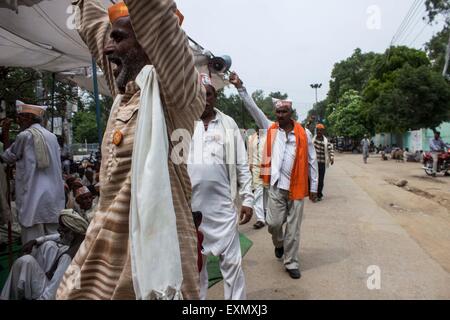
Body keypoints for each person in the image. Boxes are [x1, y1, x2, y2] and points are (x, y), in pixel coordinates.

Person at [57, 0, 205, 300]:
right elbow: (92, 25)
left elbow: (154, 12)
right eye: (111, 38)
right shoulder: (127, 90)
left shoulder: (175, 95)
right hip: (104, 247)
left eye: (119, 38)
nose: (108, 48)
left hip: (152, 253)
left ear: (152, 42)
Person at [229, 72, 318, 280]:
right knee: (274, 223)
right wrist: (240, 87)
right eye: (277, 111)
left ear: (291, 112)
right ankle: (279, 244)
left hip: (296, 189)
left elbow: (312, 161)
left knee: (294, 229)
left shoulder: (304, 134)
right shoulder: (271, 128)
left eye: (284, 111)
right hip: (276, 187)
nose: (280, 115)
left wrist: (313, 187)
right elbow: (253, 109)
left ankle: (291, 261)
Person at [188, 74, 253, 300]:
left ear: (215, 97)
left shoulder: (228, 124)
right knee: (196, 270)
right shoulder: (183, 122)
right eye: (200, 94)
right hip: (191, 211)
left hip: (223, 209)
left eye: (209, 94)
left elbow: (242, 164)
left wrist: (248, 199)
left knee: (233, 266)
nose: (204, 99)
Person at [1, 101, 65, 244]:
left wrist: (5, 134)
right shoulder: (52, 137)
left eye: (21, 117)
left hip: (32, 199)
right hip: (53, 198)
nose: (18, 121)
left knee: (32, 244)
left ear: (28, 118)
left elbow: (8, 157)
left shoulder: (25, 136)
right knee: (54, 242)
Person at [0, 209, 88, 300]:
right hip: (71, 290)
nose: (58, 230)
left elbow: (52, 295)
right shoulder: (83, 241)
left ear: (72, 231)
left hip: (61, 295)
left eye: (62, 227)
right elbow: (57, 237)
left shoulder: (68, 257)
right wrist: (35, 241)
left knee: (25, 261)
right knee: (49, 245)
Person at [247, 130, 268, 229]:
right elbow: (249, 153)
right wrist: (249, 166)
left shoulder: (269, 137)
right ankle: (260, 219)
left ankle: (267, 214)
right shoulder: (251, 138)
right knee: (258, 193)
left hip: (267, 168)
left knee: (267, 193)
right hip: (255, 168)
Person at [313, 124, 334, 201]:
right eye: (318, 130)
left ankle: (319, 194)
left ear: (323, 131)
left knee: (321, 180)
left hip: (322, 164)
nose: (319, 131)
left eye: (320, 130)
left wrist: (331, 158)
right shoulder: (313, 140)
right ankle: (313, 194)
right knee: (314, 179)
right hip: (314, 164)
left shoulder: (325, 141)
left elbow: (330, 149)